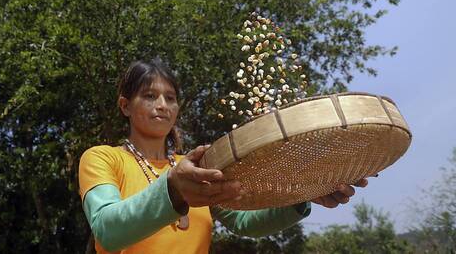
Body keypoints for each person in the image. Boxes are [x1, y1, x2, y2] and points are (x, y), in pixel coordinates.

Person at [78, 59, 368, 253]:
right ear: (125, 106)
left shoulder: (191, 168)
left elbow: (245, 222)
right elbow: (108, 229)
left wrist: (302, 192)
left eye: (171, 97)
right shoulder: (102, 158)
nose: (163, 105)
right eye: (150, 96)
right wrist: (173, 190)